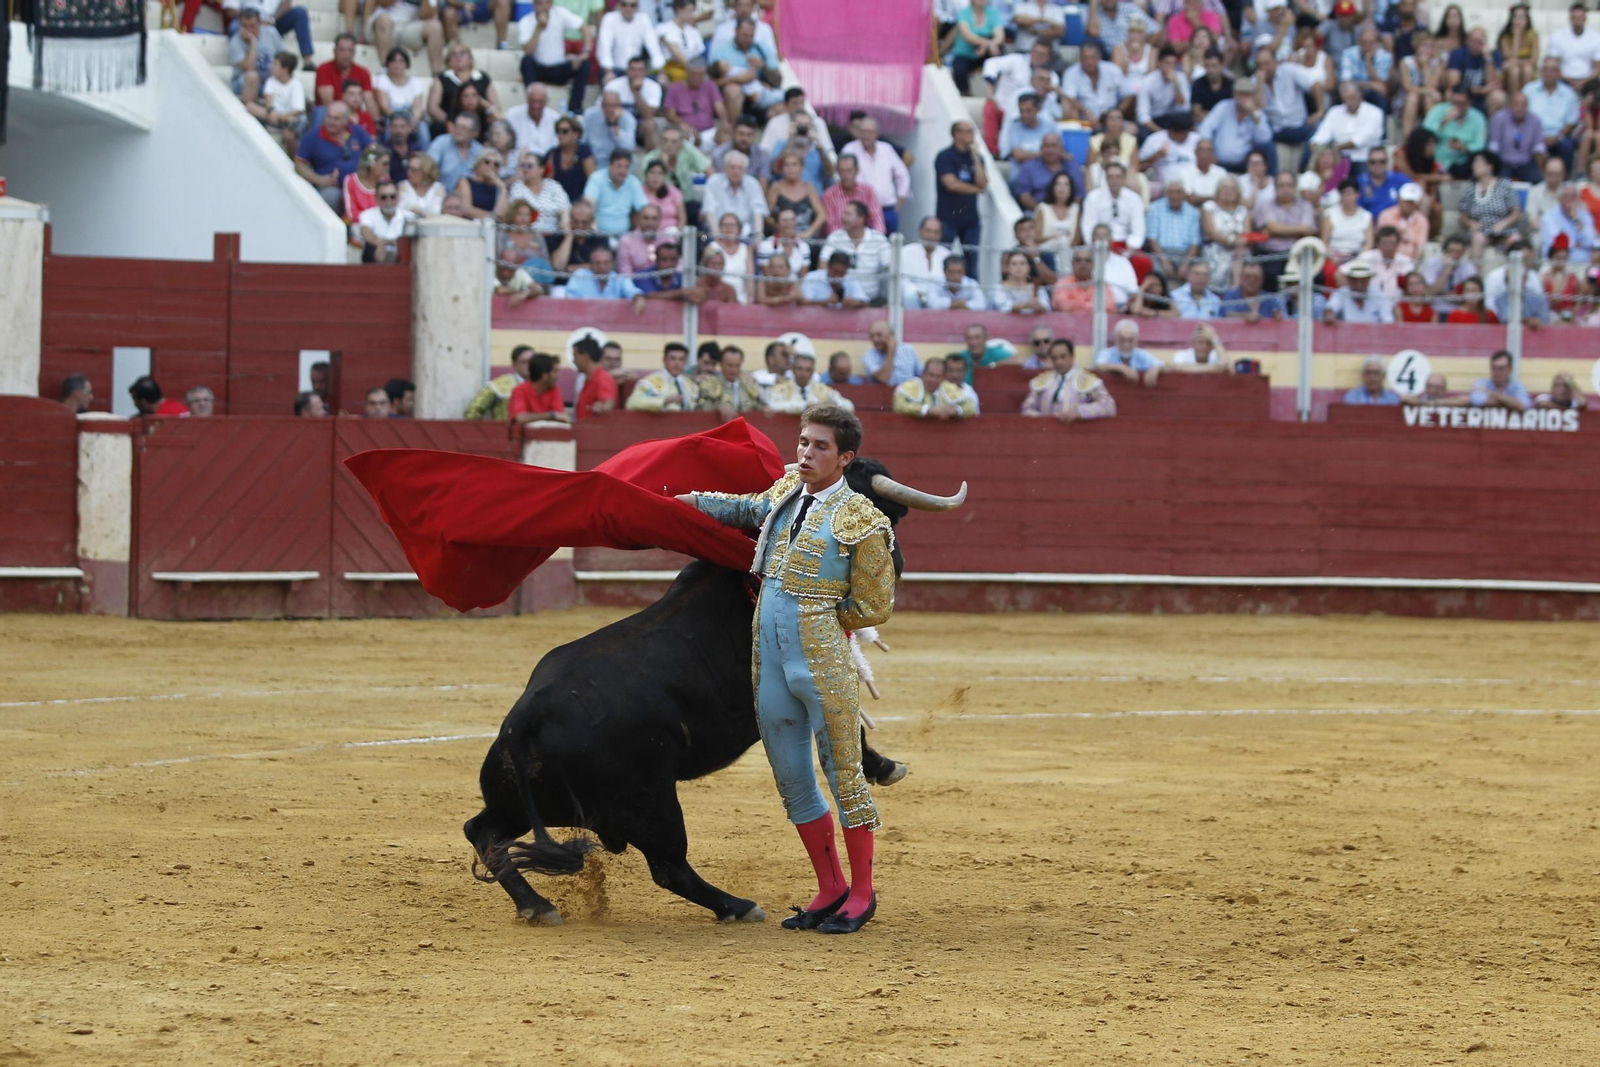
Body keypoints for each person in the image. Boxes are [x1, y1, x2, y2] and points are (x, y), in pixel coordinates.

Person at [676, 406, 893, 934]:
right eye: (802, 443)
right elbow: (744, 509)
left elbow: (873, 605)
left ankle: (861, 895)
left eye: (820, 446)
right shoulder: (782, 495)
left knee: (844, 775)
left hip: (822, 664)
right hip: (770, 662)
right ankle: (830, 886)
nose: (805, 453)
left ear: (845, 457)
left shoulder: (864, 519)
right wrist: (693, 503)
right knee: (793, 779)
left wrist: (817, 618)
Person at [295, 102, 373, 213]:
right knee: (331, 197)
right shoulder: (312, 136)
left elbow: (373, 151)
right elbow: (299, 164)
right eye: (329, 117)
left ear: (346, 120)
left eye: (336, 119)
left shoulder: (357, 131)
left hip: (360, 183)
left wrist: (365, 170)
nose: (330, 122)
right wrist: (319, 179)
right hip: (332, 186)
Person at [841, 117, 910, 235]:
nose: (865, 135)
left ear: (877, 133)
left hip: (887, 209)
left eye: (869, 131)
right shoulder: (850, 149)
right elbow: (842, 175)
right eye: (863, 131)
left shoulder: (886, 149)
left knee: (888, 246)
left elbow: (902, 174)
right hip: (862, 212)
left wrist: (899, 201)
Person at [935, 121, 987, 277]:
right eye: (967, 132)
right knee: (943, 256)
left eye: (972, 132)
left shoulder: (976, 158)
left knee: (971, 260)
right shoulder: (945, 156)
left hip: (971, 218)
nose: (970, 136)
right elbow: (951, 184)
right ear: (956, 134)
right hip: (947, 216)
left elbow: (982, 183)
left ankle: (973, 294)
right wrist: (976, 190)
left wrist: (976, 158)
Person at [1022, 339, 1117, 421]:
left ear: (1072, 356)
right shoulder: (1042, 380)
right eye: (1055, 358)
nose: (1059, 361)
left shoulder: (1086, 380)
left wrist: (1080, 412)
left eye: (1063, 357)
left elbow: (1108, 406)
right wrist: (1040, 419)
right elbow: (1027, 408)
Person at [820, 203, 893, 303]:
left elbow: (889, 266)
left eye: (848, 214)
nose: (843, 218)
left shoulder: (878, 239)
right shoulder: (835, 237)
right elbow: (823, 264)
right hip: (841, 300)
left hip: (872, 301)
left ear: (861, 219)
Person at [1145, 176, 1202, 280]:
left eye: (1178, 192)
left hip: (1185, 255)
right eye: (1171, 192)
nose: (1174, 196)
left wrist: (1186, 264)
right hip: (1160, 254)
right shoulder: (1155, 208)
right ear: (1166, 193)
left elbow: (1195, 243)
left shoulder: (1193, 212)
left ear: (1184, 194)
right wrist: (1165, 262)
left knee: (1199, 272)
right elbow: (1152, 239)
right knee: (1155, 269)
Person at [229, 9, 286, 113]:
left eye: (252, 26)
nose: (248, 30)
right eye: (244, 26)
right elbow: (249, 68)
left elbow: (284, 57)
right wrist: (253, 43)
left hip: (269, 78)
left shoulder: (271, 32)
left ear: (260, 23)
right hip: (244, 82)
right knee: (252, 76)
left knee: (284, 74)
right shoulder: (235, 42)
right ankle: (252, 115)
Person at [702, 150, 769, 237]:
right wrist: (717, 237)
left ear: (745, 170)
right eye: (732, 167)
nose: (736, 171)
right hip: (718, 232)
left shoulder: (753, 183)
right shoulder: (713, 182)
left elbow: (758, 211)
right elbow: (709, 211)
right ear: (725, 168)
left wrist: (758, 236)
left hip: (746, 235)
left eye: (740, 168)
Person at [1425, 85, 1487, 177]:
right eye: (1454, 103)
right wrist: (1443, 122)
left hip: (1463, 162)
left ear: (1469, 102)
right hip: (1438, 160)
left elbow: (1480, 145)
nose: (1457, 107)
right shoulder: (1438, 110)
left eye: (1461, 103)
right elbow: (1423, 135)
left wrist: (1463, 147)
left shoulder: (1478, 118)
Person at [766, 352, 855, 414]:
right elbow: (773, 405)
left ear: (812, 372)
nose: (803, 373)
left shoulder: (822, 389)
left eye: (807, 370)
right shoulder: (781, 388)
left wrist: (834, 405)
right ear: (793, 370)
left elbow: (849, 406)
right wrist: (805, 406)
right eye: (799, 369)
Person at [563, 247, 647, 311]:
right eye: (597, 263)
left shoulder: (619, 279)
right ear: (591, 264)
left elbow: (632, 291)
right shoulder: (580, 276)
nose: (602, 267)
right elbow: (570, 301)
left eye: (606, 263)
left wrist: (638, 298)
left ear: (612, 264)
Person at [625, 342, 700, 411]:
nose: (677, 363)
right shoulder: (651, 381)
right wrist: (664, 401)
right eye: (672, 358)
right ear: (664, 360)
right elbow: (632, 403)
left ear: (685, 362)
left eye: (681, 359)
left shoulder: (691, 385)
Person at [697, 345, 764, 417]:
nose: (733, 370)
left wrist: (764, 409)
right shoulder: (709, 384)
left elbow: (758, 407)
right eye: (730, 365)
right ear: (721, 364)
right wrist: (717, 407)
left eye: (737, 366)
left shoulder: (749, 385)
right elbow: (701, 408)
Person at [892, 359, 974, 419]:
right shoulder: (910, 386)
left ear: (944, 377)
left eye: (938, 376)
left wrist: (956, 410)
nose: (933, 380)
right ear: (923, 374)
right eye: (931, 375)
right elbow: (899, 405)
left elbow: (971, 406)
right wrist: (927, 410)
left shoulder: (949, 388)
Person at [504, 351, 569, 425]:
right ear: (544, 376)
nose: (558, 375)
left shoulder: (553, 389)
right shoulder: (520, 390)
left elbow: (561, 417)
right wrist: (551, 415)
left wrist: (551, 415)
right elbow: (520, 418)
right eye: (555, 372)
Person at [1541, 184, 1600, 264]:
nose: (1570, 200)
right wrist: (1577, 244)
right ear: (1560, 199)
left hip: (1584, 263)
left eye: (1573, 197)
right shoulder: (1549, 216)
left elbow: (1590, 241)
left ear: (1578, 199)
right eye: (1566, 196)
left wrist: (1577, 220)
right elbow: (1557, 243)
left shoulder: (1585, 215)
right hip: (1559, 264)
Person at [358, 179, 412, 262]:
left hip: (401, 258)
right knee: (370, 248)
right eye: (384, 197)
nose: (388, 200)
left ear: (398, 197)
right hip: (376, 257)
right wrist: (379, 242)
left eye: (392, 196)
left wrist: (387, 242)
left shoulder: (409, 216)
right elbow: (366, 232)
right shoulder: (367, 214)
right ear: (376, 198)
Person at [1094, 319, 1162, 386]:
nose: (1126, 344)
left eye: (1130, 340)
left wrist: (1154, 369)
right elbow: (1100, 365)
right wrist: (1123, 368)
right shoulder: (1107, 352)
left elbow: (1163, 365)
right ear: (1115, 339)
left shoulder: (1142, 354)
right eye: (1122, 339)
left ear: (1136, 340)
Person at [1324, 260, 1394, 323]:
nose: (1359, 285)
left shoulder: (1378, 295)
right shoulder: (1341, 294)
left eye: (1363, 280)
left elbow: (1387, 321)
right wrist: (1330, 314)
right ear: (1349, 280)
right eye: (1355, 280)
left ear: (1368, 280)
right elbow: (1331, 308)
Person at [1217, 260, 1285, 320]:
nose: (1251, 280)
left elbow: (1280, 315)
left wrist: (1278, 317)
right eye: (1247, 277)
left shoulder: (1270, 299)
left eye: (1256, 278)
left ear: (1262, 279)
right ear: (1241, 278)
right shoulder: (1230, 295)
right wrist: (1245, 316)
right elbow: (1227, 315)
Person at [801, 252, 870, 309]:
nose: (838, 275)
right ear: (828, 266)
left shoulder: (851, 279)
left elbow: (865, 302)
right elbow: (803, 303)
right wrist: (824, 302)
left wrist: (855, 303)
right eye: (836, 271)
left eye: (842, 272)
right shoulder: (812, 278)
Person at [862, 321, 921, 387]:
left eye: (879, 335)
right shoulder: (869, 355)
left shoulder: (908, 350)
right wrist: (890, 352)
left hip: (908, 394)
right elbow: (883, 378)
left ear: (891, 334)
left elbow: (920, 374)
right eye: (872, 336)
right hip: (883, 394)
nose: (875, 339)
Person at [571, 337, 618, 419]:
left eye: (575, 355)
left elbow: (608, 403)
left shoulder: (602, 378)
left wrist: (603, 407)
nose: (574, 361)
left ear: (585, 356)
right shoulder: (589, 379)